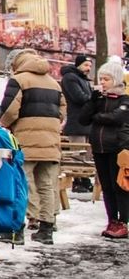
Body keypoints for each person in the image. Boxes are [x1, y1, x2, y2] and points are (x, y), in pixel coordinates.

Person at [0, 48, 66, 245]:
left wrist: (6, 124)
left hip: (26, 141)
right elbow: (62, 111)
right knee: (46, 184)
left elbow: (9, 111)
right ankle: (46, 229)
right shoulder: (54, 83)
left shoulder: (19, 80)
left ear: (16, 63)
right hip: (50, 141)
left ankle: (16, 230)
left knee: (21, 184)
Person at [78, 58, 129, 239]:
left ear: (115, 79)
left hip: (117, 149)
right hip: (99, 148)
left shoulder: (125, 99)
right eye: (101, 79)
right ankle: (111, 220)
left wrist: (97, 116)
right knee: (106, 187)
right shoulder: (99, 100)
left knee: (119, 187)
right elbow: (83, 119)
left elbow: (117, 118)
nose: (102, 83)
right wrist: (92, 102)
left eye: (106, 79)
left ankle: (123, 221)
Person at [61, 54, 94, 194]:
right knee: (78, 154)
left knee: (87, 154)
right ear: (79, 65)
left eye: (90, 66)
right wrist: (94, 100)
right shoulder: (70, 78)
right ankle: (78, 180)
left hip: (86, 122)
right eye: (86, 65)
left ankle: (85, 179)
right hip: (77, 122)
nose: (88, 68)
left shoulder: (84, 79)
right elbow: (79, 97)